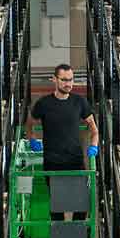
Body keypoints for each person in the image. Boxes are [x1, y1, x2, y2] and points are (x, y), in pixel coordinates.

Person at [25, 64, 99, 222]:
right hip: (53, 164)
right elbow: (29, 124)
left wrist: (94, 145)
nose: (69, 84)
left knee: (80, 208)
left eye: (71, 79)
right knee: (57, 210)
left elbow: (94, 129)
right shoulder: (43, 104)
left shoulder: (79, 102)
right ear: (54, 80)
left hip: (75, 162)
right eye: (64, 80)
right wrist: (31, 139)